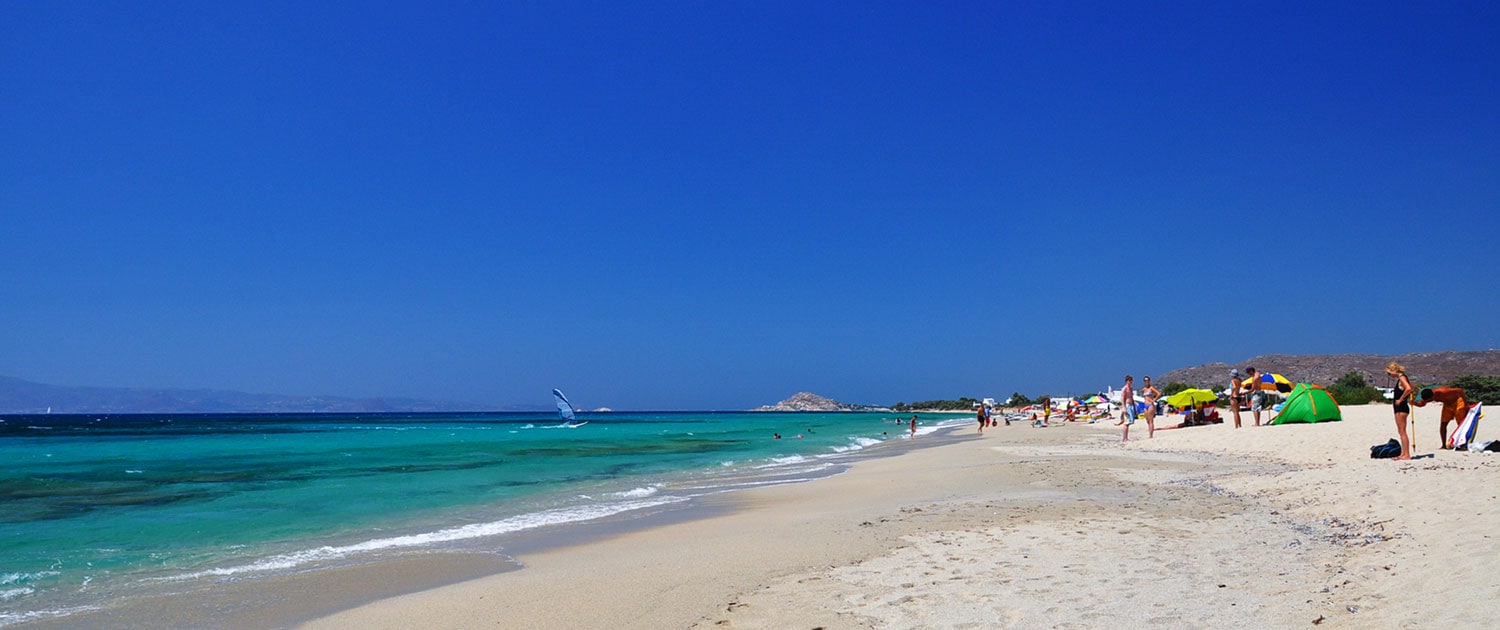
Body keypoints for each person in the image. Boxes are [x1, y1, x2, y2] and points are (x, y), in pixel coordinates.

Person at [1414, 384, 1472, 449]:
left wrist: (1466, 404)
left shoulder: (1443, 391)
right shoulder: (1427, 396)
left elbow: (1460, 390)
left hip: (1458, 402)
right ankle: (1443, 445)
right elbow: (1422, 404)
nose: (1429, 402)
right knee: (1443, 424)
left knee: (1460, 424)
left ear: (1432, 396)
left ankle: (1463, 444)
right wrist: (1414, 403)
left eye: (1429, 400)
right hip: (1447, 405)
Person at [1386, 362, 1414, 460]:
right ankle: (1404, 453)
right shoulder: (1402, 378)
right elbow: (1412, 387)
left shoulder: (1402, 377)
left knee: (1402, 432)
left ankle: (1406, 455)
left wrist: (1401, 399)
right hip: (1399, 408)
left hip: (1401, 407)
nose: (1390, 376)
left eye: (1390, 373)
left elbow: (1409, 388)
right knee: (1401, 431)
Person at [1116, 375, 1136, 441]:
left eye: (1131, 380)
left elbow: (1132, 398)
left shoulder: (1131, 388)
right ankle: (1124, 438)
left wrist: (1134, 406)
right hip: (1127, 405)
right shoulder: (1125, 388)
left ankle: (1126, 437)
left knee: (1129, 422)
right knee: (1126, 422)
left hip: (1131, 405)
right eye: (1129, 380)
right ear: (1126, 381)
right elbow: (1122, 398)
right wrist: (1124, 407)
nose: (1130, 382)